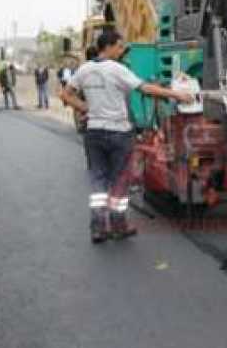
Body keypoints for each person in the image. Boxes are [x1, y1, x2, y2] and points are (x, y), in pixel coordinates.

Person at [60, 30, 193, 243]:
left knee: (98, 181)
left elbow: (65, 95)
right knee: (120, 181)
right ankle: (118, 226)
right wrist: (176, 94)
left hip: (93, 133)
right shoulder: (117, 69)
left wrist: (85, 108)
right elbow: (145, 89)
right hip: (118, 134)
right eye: (120, 47)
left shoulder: (84, 70)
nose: (122, 51)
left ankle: (98, 228)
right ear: (109, 46)